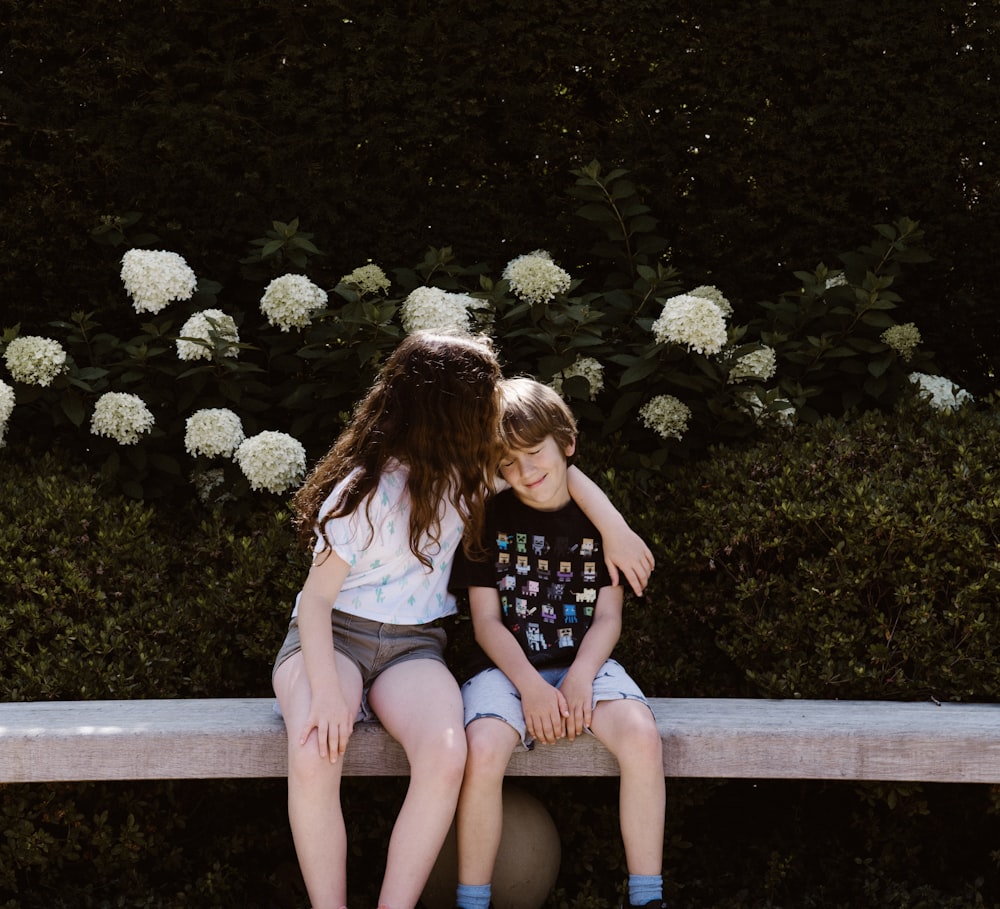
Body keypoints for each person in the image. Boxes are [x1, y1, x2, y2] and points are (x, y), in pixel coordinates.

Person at [271, 333, 654, 909]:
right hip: (332, 641)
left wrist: (614, 527)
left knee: (448, 753)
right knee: (315, 748)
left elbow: (556, 470)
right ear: (446, 413)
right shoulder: (363, 492)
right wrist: (325, 692)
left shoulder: (471, 477)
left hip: (413, 648)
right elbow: (318, 604)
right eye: (482, 400)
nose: (493, 409)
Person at [450, 377, 667, 909]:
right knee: (481, 750)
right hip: (505, 669)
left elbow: (608, 618)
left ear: (566, 443)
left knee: (641, 736)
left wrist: (578, 678)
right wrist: (530, 688)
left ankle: (648, 897)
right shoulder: (489, 518)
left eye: (534, 454)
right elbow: (486, 624)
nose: (524, 473)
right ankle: (472, 900)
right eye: (507, 463)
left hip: (584, 662)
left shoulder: (598, 523)